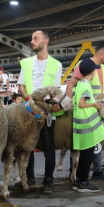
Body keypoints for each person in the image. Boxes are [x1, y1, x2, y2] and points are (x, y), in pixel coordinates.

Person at [17, 30, 62, 194]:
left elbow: (55, 90)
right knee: (27, 147)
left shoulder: (56, 64)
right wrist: (27, 98)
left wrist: (50, 104)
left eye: (35, 38)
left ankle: (48, 181)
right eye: (31, 38)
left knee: (49, 147)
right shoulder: (26, 63)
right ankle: (29, 178)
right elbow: (21, 85)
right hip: (28, 111)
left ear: (46, 41)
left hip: (47, 113)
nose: (32, 41)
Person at [66, 42, 104, 180]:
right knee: (80, 142)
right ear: (102, 54)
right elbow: (71, 83)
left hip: (97, 110)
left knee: (96, 140)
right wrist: (68, 103)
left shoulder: (103, 69)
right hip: (85, 111)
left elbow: (102, 92)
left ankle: (97, 170)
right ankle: (73, 171)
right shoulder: (83, 64)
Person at [72, 59, 104, 192]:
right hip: (87, 126)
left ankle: (79, 181)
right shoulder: (86, 86)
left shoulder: (80, 84)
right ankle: (84, 182)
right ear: (92, 73)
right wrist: (95, 104)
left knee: (85, 155)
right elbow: (82, 103)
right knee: (87, 156)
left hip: (82, 126)